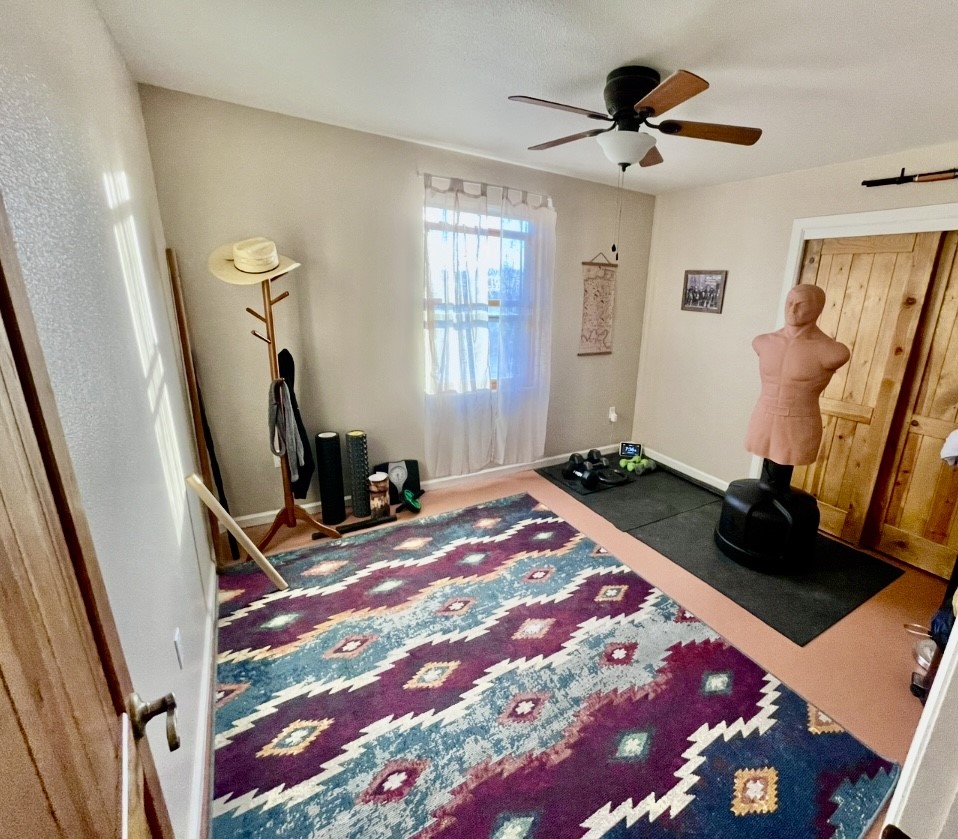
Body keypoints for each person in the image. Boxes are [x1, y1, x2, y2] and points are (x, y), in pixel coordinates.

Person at [745, 284, 850, 467]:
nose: (792, 309)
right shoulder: (763, 342)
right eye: (789, 302)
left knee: (781, 475)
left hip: (799, 424)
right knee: (766, 475)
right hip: (762, 417)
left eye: (801, 304)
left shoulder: (832, 351)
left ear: (817, 308)